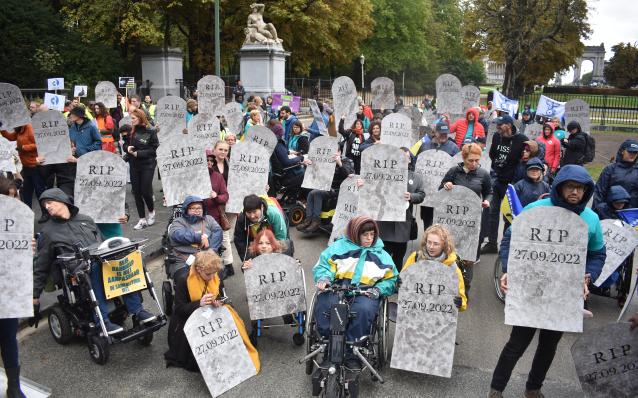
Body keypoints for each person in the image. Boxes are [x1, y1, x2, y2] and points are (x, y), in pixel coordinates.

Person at [489, 165, 606, 398]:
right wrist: (510, 270)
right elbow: (511, 241)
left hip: (564, 293)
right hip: (531, 289)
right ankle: (496, 389)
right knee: (516, 344)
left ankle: (533, 388)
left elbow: (597, 254)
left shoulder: (591, 219)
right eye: (571, 186)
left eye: (581, 188)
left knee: (548, 346)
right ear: (560, 187)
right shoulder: (536, 209)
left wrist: (588, 275)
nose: (575, 192)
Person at [33, 188, 156, 335]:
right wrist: (35, 295)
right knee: (96, 268)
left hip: (99, 258)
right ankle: (102, 321)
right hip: (77, 268)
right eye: (44, 205)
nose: (46, 207)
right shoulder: (48, 232)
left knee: (122, 260)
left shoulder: (85, 219)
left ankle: (137, 310)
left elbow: (103, 241)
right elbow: (41, 265)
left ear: (62, 200)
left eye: (49, 202)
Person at [313, 216, 397, 369]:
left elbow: (392, 279)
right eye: (365, 235)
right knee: (326, 305)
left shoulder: (382, 255)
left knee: (362, 310)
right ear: (355, 233)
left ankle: (353, 352)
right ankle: (328, 348)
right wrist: (324, 278)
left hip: (366, 290)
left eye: (372, 234)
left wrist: (378, 289)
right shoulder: (338, 247)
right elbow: (324, 265)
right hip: (338, 285)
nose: (369, 238)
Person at [164, 250, 259, 372]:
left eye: (214, 274)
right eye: (208, 274)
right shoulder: (184, 280)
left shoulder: (215, 275)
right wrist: (199, 303)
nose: (212, 277)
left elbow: (219, 295)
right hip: (189, 319)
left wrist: (217, 301)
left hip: (210, 314)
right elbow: (178, 310)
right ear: (198, 269)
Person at [440, 142, 492, 268]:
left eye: (477, 160)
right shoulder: (454, 171)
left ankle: (466, 272)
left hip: (472, 216)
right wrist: (446, 185)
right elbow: (440, 189)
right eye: (470, 160)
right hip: (453, 215)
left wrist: (487, 200)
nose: (474, 164)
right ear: (463, 158)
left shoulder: (483, 174)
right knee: (451, 245)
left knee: (468, 251)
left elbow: (489, 192)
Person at [482, 115, 527, 254]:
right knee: (492, 212)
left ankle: (505, 246)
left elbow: (526, 157)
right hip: (496, 179)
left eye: (500, 125)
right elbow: (492, 154)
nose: (498, 128)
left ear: (508, 124)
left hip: (511, 182)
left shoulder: (522, 139)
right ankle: (491, 243)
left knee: (508, 214)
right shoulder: (496, 136)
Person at [0, 179, 28, 398]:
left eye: (15, 197)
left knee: (9, 338)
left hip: (7, 290)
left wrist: (30, 247)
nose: (14, 202)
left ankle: (13, 386)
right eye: (10, 198)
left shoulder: (18, 219)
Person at [375, 148, 425, 269]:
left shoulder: (416, 177)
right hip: (385, 223)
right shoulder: (384, 174)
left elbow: (421, 195)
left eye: (406, 157)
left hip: (403, 225)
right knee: (382, 256)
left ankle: (395, 282)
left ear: (409, 160)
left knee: (398, 257)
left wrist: (411, 196)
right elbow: (373, 189)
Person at [403, 224, 467, 311]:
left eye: (436, 244)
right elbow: (402, 281)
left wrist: (460, 303)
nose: (431, 247)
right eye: (429, 242)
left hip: (439, 317)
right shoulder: (415, 258)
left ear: (443, 245)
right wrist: (399, 282)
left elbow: (462, 301)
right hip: (416, 310)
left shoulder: (452, 267)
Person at [297, 150, 354, 233]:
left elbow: (349, 176)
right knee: (311, 193)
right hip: (326, 187)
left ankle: (316, 221)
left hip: (339, 189)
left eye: (335, 151)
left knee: (316, 193)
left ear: (339, 152)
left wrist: (339, 163)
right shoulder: (327, 161)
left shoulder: (346, 161)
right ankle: (308, 219)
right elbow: (318, 174)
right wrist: (308, 166)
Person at [167, 195, 223, 278]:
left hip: (207, 257)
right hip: (185, 259)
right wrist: (199, 237)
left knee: (218, 275)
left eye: (199, 208)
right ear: (186, 209)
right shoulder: (178, 221)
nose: (197, 211)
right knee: (183, 278)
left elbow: (218, 232)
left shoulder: (209, 219)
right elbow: (177, 235)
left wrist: (212, 250)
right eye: (193, 208)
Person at [124, 109, 159, 230]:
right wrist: (127, 148)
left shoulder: (151, 131)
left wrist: (138, 153)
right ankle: (142, 219)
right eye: (131, 118)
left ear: (140, 118)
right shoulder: (131, 131)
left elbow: (154, 150)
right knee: (136, 192)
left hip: (148, 165)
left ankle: (151, 211)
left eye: (133, 118)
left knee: (145, 191)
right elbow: (125, 144)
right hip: (134, 165)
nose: (131, 120)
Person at [1, 123, 45, 209]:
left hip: (35, 165)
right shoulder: (19, 130)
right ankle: (27, 210)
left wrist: (24, 147)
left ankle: (45, 212)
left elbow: (39, 143)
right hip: (26, 165)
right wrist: (2, 128)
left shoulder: (30, 128)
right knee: (26, 190)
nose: (13, 127)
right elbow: (10, 137)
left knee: (39, 190)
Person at [234, 194, 289, 262]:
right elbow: (240, 241)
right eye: (249, 212)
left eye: (254, 212)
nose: (252, 216)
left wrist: (275, 259)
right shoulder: (242, 218)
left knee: (283, 252)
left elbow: (281, 239)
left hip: (276, 230)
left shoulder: (274, 214)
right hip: (255, 235)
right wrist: (247, 260)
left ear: (262, 207)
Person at [269, 121, 310, 198]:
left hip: (279, 172)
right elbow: (286, 162)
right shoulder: (278, 143)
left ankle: (295, 196)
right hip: (286, 174)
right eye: (294, 127)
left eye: (297, 127)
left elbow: (281, 154)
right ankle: (300, 197)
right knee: (307, 173)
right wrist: (300, 158)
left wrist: (289, 153)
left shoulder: (273, 142)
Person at [593, 139, 638, 210]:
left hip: (633, 215)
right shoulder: (610, 169)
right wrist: (598, 211)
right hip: (611, 213)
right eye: (630, 151)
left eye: (635, 152)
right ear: (622, 151)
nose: (632, 154)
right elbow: (599, 192)